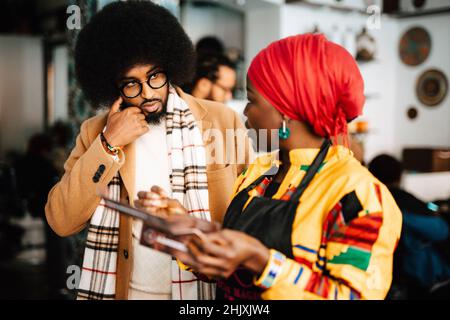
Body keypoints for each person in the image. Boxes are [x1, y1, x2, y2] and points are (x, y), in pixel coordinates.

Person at [152, 34, 403, 300]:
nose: (246, 112)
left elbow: (353, 296)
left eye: (252, 99)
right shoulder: (258, 173)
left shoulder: (358, 196)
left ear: (284, 111)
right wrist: (189, 230)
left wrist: (262, 261)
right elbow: (226, 271)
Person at [45, 1, 252, 300]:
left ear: (170, 66)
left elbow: (248, 221)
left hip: (202, 295)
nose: (147, 93)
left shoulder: (221, 121)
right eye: (131, 84)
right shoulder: (96, 131)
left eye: (154, 76)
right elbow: (61, 220)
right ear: (114, 87)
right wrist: (108, 144)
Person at [368, 154, 450, 299]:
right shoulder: (407, 204)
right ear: (399, 176)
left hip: (379, 278)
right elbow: (441, 231)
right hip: (416, 281)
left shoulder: (368, 200)